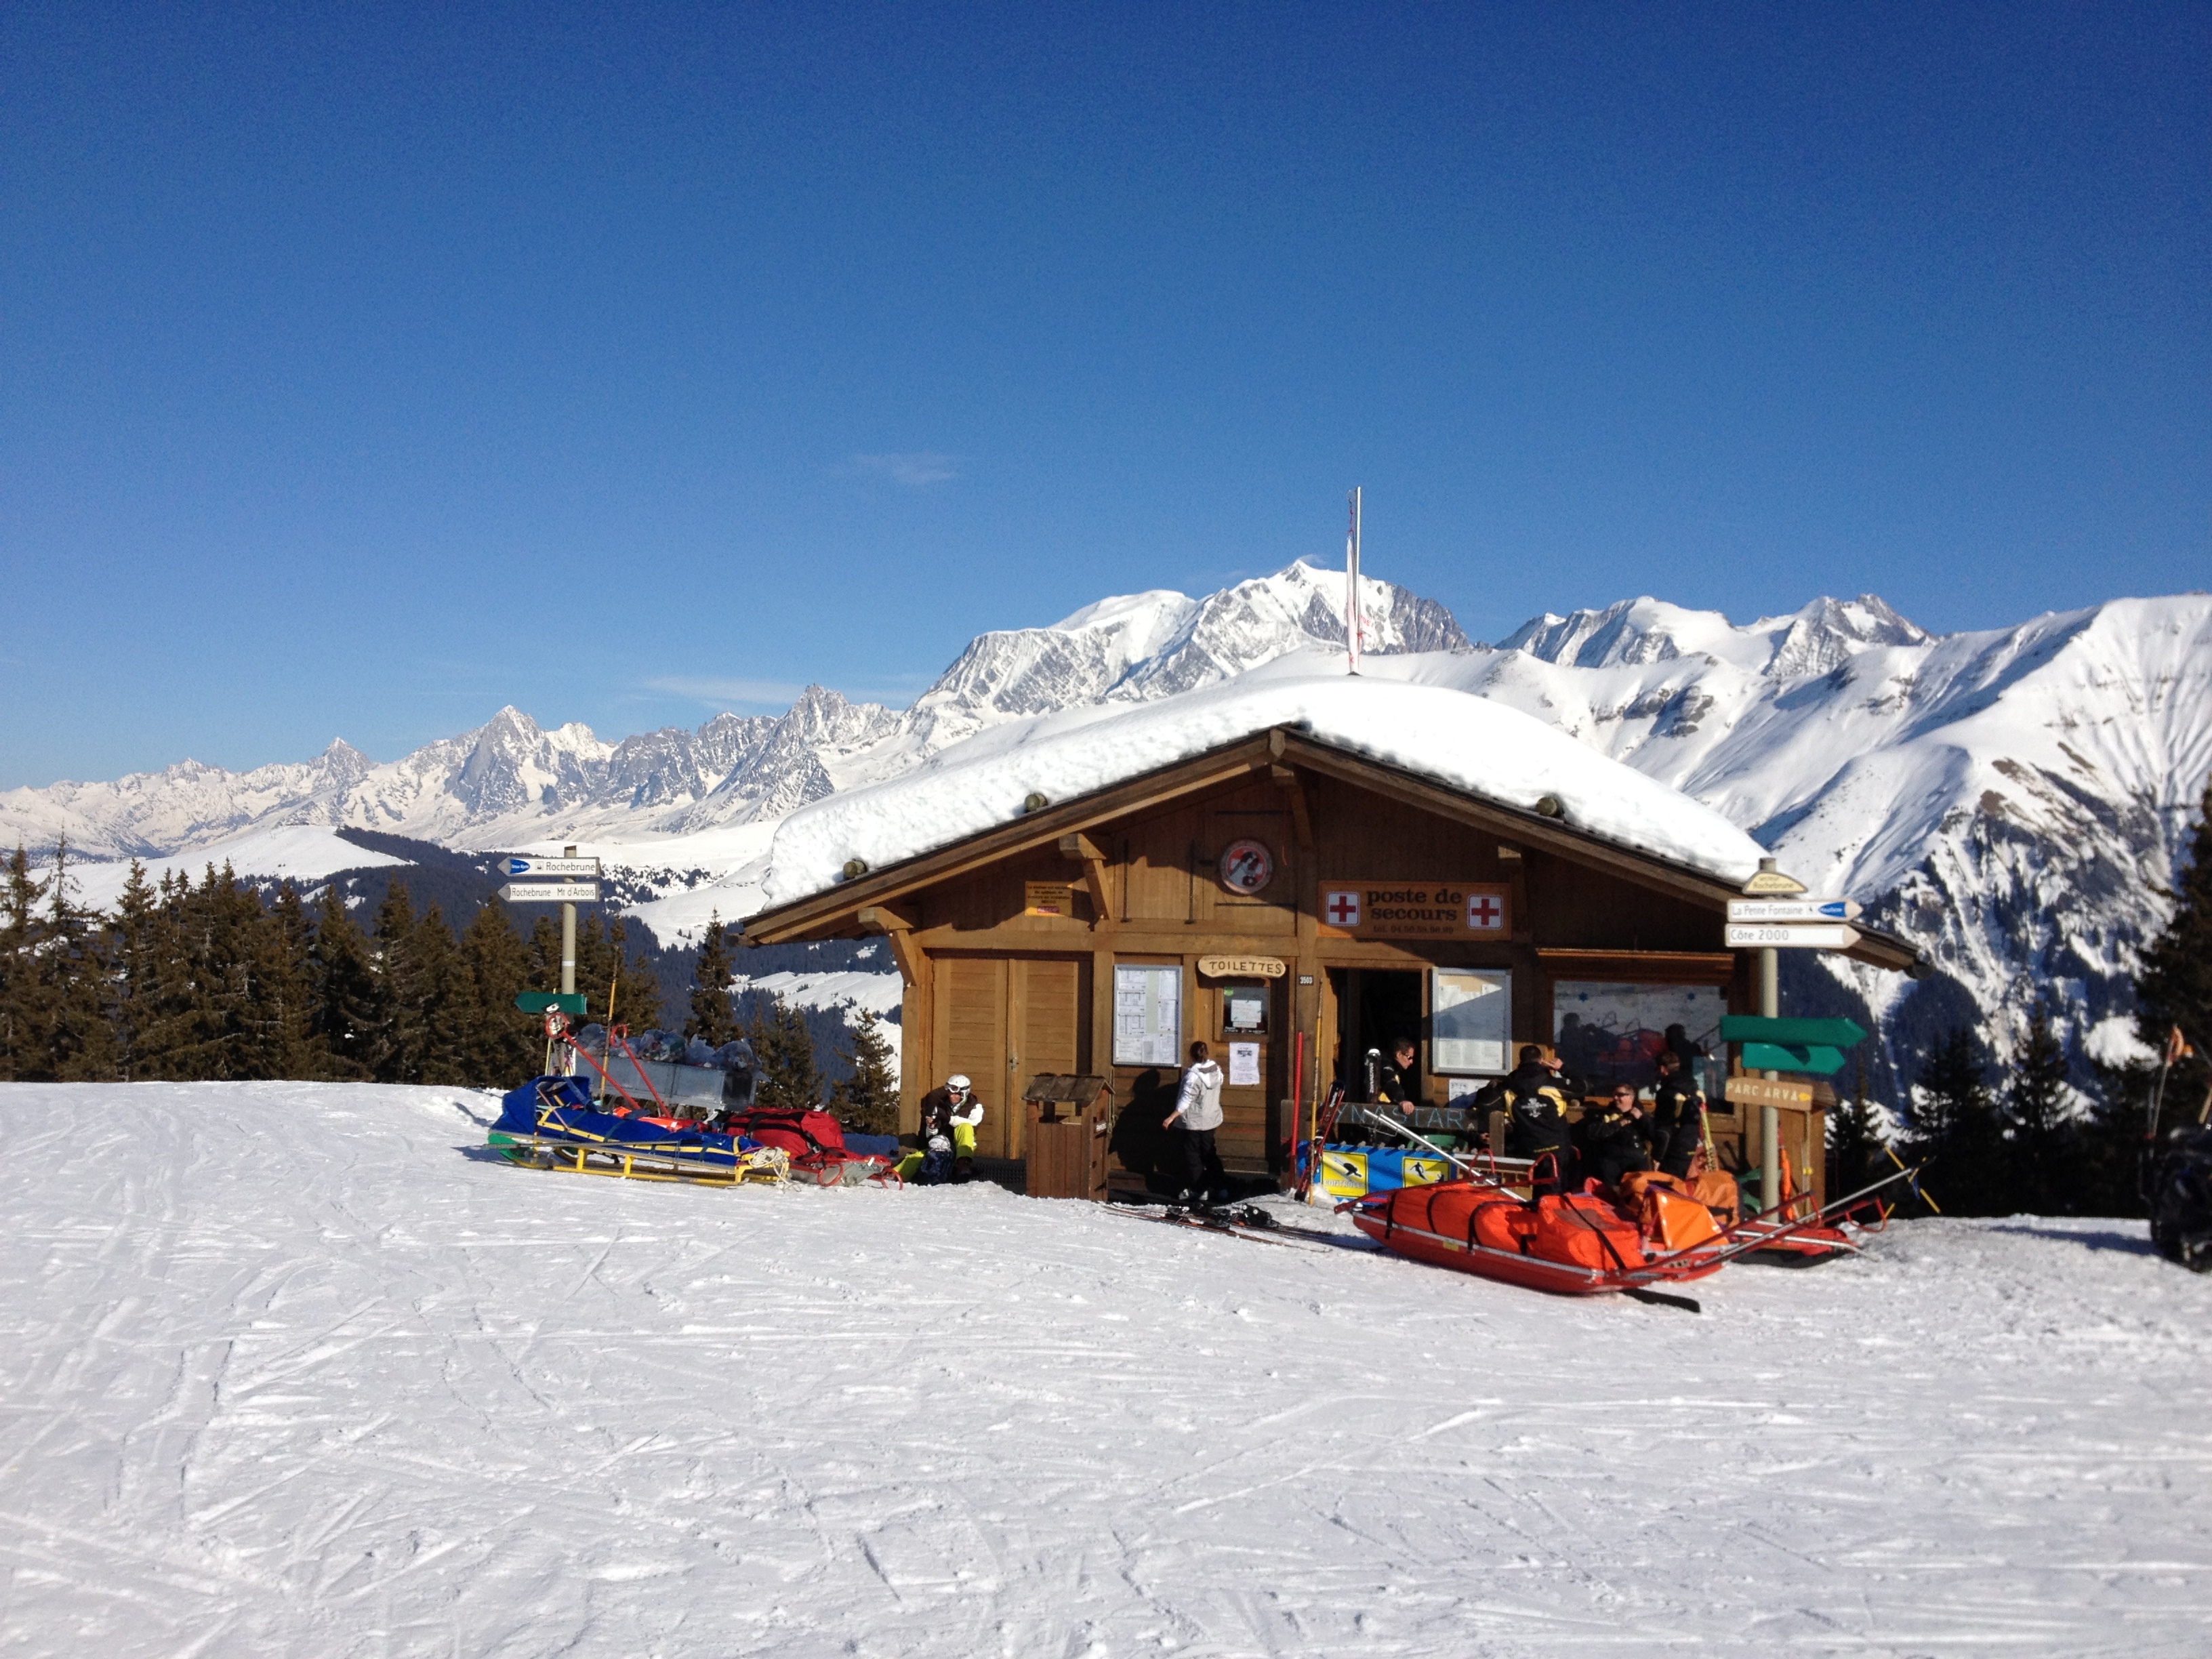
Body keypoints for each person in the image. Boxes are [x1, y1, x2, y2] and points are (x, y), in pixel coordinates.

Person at [1492, 1044, 1580, 1193]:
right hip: (1556, 1148)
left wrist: (1505, 1122)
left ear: (1520, 1062)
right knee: (1554, 1195)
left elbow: (1485, 1103)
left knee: (1530, 1193)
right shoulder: (1553, 1083)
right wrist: (1562, 1069)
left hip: (1527, 1148)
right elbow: (1585, 1087)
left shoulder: (1509, 1085)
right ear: (1541, 1060)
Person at [1162, 1040, 1227, 1206]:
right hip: (1211, 1119)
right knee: (1209, 1153)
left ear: (1191, 1055)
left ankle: (1199, 1189)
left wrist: (1171, 1117)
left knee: (1192, 1155)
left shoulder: (1193, 1076)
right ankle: (1220, 1188)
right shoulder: (1216, 1071)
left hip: (1194, 1121)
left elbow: (1186, 1100)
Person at [1576, 1082, 1656, 1190]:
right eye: (1614, 1095)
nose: (1616, 1098)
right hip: (1611, 1158)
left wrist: (1642, 1119)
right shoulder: (1606, 1115)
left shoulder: (1642, 1116)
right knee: (1607, 1186)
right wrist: (1619, 1124)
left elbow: (1654, 1136)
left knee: (1638, 1188)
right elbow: (1593, 1132)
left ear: (1631, 1098)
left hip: (1634, 1159)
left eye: (1620, 1095)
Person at [914, 1073, 983, 1185]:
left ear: (964, 1093)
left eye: (956, 1094)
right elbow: (931, 1135)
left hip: (963, 1145)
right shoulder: (941, 1105)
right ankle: (894, 1174)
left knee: (965, 1127)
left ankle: (963, 1164)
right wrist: (932, 1127)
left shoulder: (975, 1106)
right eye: (950, 1093)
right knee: (917, 1157)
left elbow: (974, 1123)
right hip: (944, 1144)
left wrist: (950, 1119)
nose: (952, 1096)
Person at [1650, 1048, 1706, 1179]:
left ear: (1663, 1069)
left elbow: (1664, 1130)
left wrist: (1657, 1158)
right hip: (1696, 1148)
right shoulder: (1695, 1090)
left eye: (1656, 1070)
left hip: (1674, 1152)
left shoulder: (1667, 1094)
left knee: (1669, 1191)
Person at [1374, 1038, 1421, 1107]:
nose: (1412, 1062)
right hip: (1378, 1109)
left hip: (1387, 1107)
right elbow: (1389, 1082)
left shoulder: (1398, 1069)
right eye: (1409, 1058)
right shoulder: (1385, 1063)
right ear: (1399, 1054)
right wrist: (1402, 1100)